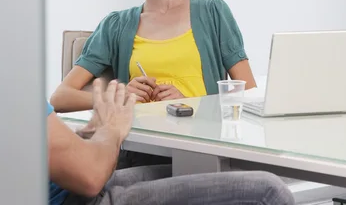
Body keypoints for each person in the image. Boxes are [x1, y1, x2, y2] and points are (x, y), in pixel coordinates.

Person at [50, 0, 256, 167]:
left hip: (204, 149)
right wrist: (121, 97)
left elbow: (247, 95)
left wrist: (192, 104)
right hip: (143, 155)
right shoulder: (116, 25)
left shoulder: (213, 11)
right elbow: (60, 98)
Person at [48, 78, 295, 205]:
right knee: (269, 191)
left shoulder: (212, 13)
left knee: (228, 170)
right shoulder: (117, 25)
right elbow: (90, 177)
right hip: (76, 195)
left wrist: (91, 135)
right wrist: (110, 128)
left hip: (64, 184)